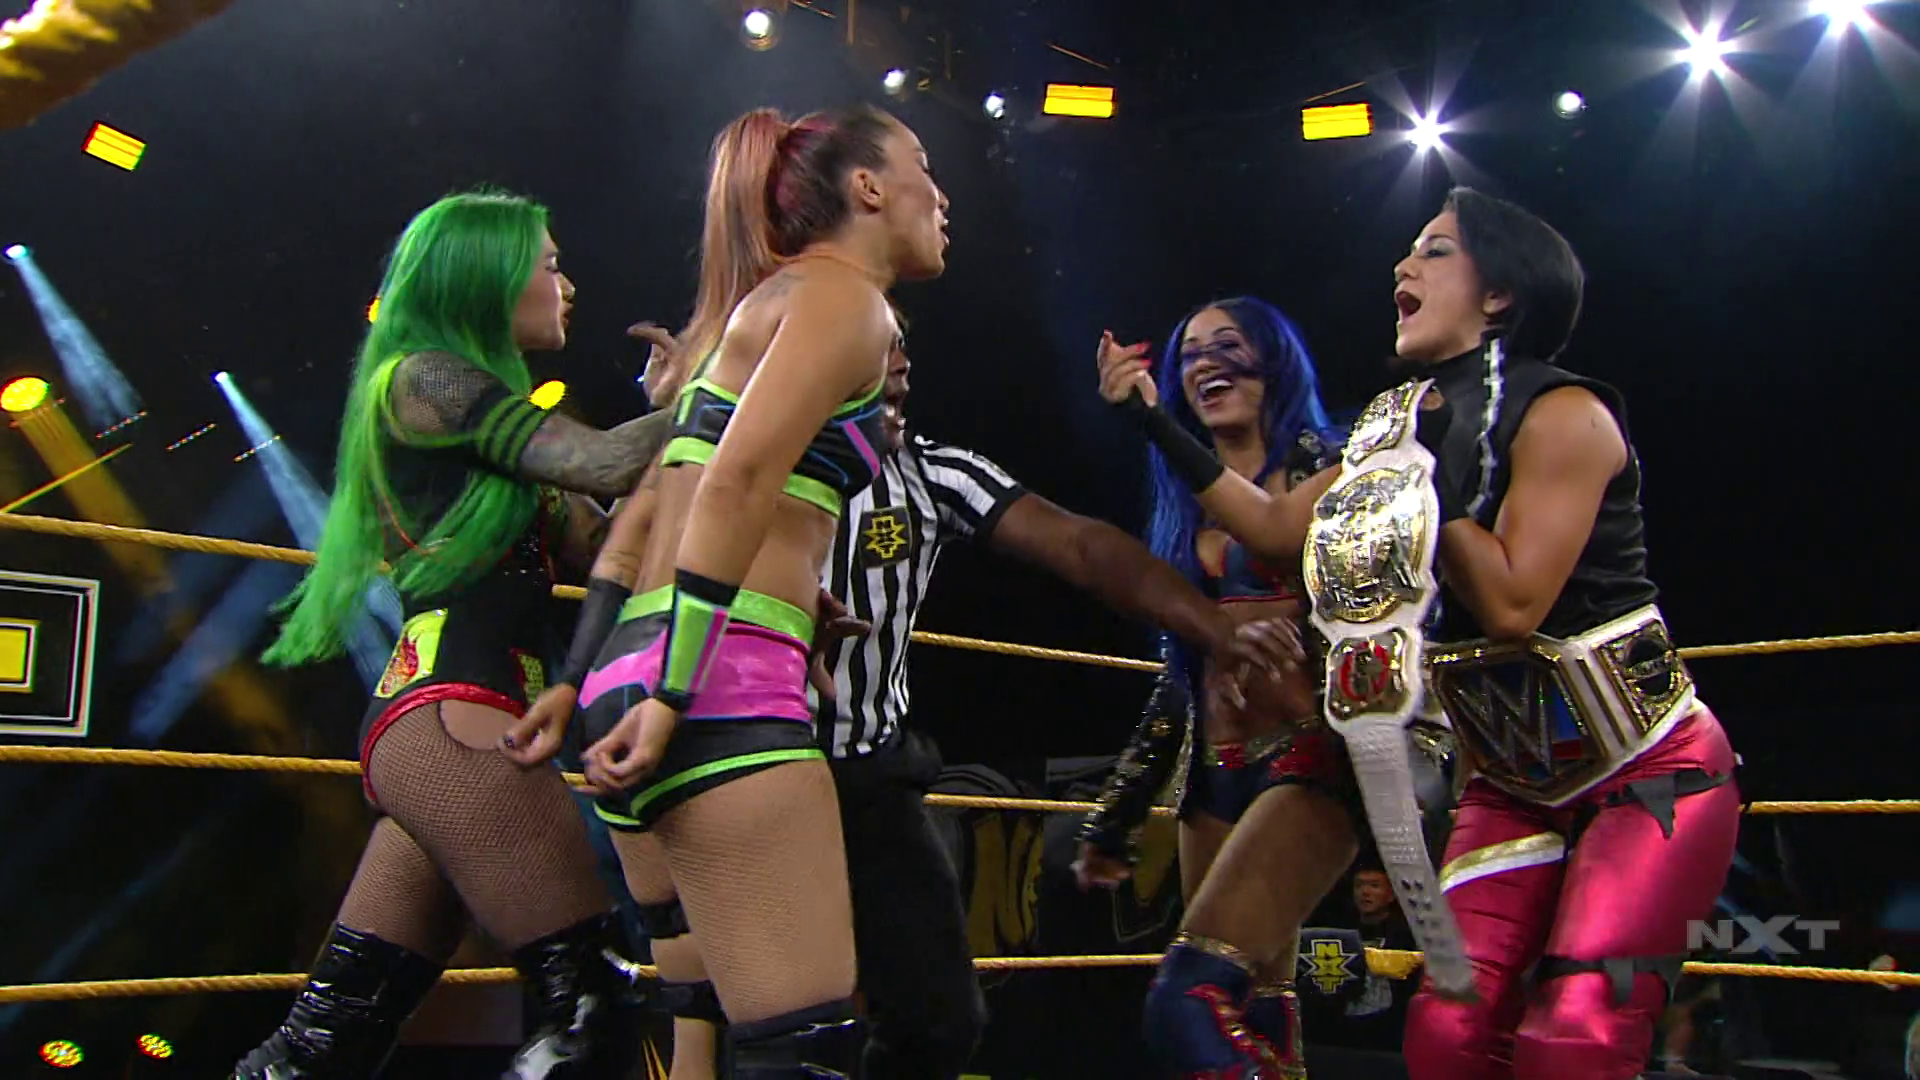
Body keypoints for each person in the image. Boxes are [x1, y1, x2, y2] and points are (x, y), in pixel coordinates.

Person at [1099, 186, 1742, 1079]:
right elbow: (1276, 530)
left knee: (1572, 1038)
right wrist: (1151, 420)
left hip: (1649, 771)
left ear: (1499, 294)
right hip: (1510, 780)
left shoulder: (1566, 414)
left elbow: (1513, 604)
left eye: (1436, 250)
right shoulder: (1393, 428)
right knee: (1446, 1037)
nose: (1403, 265)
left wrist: (1419, 478)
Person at [594, 323, 1310, 1080]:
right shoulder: (730, 459)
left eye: (903, 343)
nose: (899, 360)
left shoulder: (933, 473)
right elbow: (622, 559)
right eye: (877, 343)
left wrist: (1211, 627)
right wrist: (679, 416)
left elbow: (1081, 546)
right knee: (754, 1020)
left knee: (940, 1020)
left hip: (867, 771)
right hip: (740, 762)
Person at [505, 103, 948, 1079]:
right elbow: (740, 481)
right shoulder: (846, 300)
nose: (942, 195)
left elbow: (639, 526)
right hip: (715, 684)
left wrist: (582, 681)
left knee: (698, 1029)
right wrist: (677, 687)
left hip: (632, 666)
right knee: (805, 1050)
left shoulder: (749, 320)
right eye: (923, 164)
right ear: (868, 188)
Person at [234, 191, 670, 1079]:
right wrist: (736, 385)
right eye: (549, 265)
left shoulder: (496, 431)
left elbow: (609, 545)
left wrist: (673, 411)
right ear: (486, 275)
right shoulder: (422, 378)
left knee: (318, 1048)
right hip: (456, 717)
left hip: (458, 731)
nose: (568, 285)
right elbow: (604, 460)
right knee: (593, 1012)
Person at [1078, 297, 1356, 1079]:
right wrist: (1120, 809)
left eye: (1227, 345)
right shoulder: (1177, 503)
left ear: (1273, 360)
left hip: (1304, 754)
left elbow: (1378, 611)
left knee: (1199, 1001)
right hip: (1214, 774)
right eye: (1191, 354)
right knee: (1246, 1003)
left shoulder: (1331, 467)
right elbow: (1181, 671)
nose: (1207, 364)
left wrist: (1305, 631)